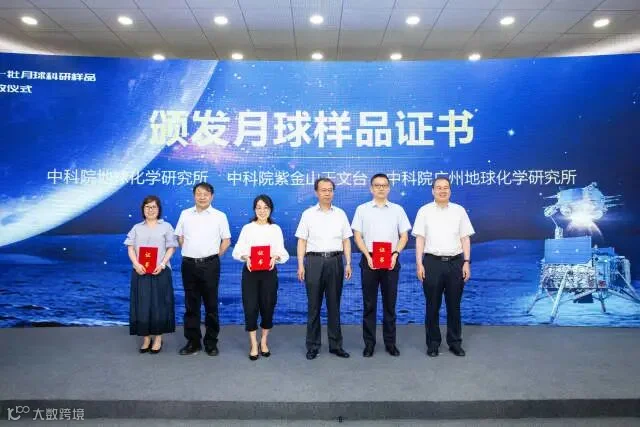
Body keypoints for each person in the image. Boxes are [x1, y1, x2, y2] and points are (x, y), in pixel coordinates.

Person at [412, 176, 474, 357]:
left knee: (454, 306)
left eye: (446, 187)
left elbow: (465, 238)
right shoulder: (424, 211)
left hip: (456, 263)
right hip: (432, 263)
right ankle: (433, 343)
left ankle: (455, 342)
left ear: (450, 190)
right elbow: (420, 239)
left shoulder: (459, 211)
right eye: (438, 187)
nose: (442, 190)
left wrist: (466, 262)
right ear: (433, 191)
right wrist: (419, 263)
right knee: (432, 306)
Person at [351, 173, 411, 357]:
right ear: (371, 188)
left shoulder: (398, 210)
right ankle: (369, 344)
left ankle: (390, 343)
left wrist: (395, 254)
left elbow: (404, 236)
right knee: (369, 304)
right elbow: (357, 236)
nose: (381, 188)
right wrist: (366, 255)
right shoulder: (362, 209)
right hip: (369, 260)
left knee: (390, 304)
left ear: (389, 188)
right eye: (377, 185)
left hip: (391, 261)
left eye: (384, 185)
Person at [295, 177, 353, 360]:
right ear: (316, 192)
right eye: (323, 190)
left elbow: (346, 240)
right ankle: (313, 346)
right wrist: (300, 265)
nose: (327, 193)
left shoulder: (340, 214)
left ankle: (336, 345)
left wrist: (348, 263)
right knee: (314, 306)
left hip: (335, 261)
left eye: (330, 190)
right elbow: (302, 241)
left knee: (334, 305)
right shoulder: (308, 214)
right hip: (314, 262)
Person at [175, 182, 231, 356]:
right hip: (189, 264)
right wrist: (191, 252)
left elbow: (226, 241)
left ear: (212, 196)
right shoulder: (185, 214)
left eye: (205, 194)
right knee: (191, 305)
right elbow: (180, 237)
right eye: (198, 193)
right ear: (194, 196)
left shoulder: (219, 216)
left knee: (211, 305)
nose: (202, 197)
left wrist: (212, 256)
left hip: (210, 265)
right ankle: (193, 342)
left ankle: (211, 343)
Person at [232, 195, 289, 360]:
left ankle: (263, 341)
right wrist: (246, 257)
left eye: (265, 208)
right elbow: (237, 251)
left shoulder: (275, 229)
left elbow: (282, 252)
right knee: (250, 308)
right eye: (259, 207)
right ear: (254, 209)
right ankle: (253, 343)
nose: (262, 211)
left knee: (268, 306)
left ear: (270, 210)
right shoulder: (247, 228)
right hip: (250, 273)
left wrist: (275, 257)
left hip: (269, 273)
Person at [125, 195, 177, 354]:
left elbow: (171, 247)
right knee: (142, 305)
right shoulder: (136, 227)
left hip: (160, 271)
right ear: (143, 209)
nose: (150, 210)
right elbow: (130, 247)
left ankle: (158, 338)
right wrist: (136, 264)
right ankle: (146, 338)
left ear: (159, 209)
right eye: (147, 207)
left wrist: (162, 264)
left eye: (154, 207)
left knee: (159, 305)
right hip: (140, 271)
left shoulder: (166, 226)